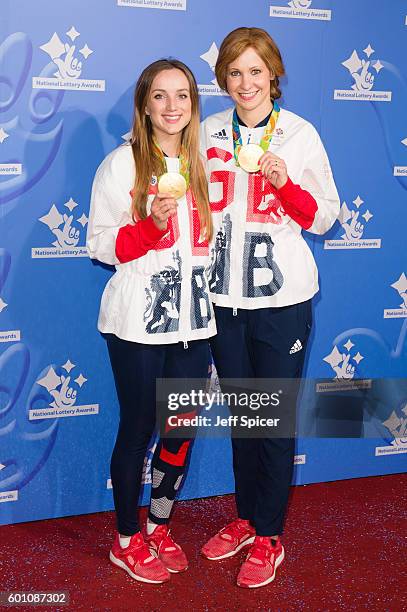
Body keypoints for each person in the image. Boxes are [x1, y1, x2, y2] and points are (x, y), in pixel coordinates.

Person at [200, 27, 340, 588]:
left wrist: (285, 185)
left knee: (274, 421)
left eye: (256, 71)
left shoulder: (301, 134)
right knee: (245, 418)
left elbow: (325, 217)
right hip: (223, 297)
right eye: (235, 72)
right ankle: (245, 518)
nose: (246, 83)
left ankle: (270, 535)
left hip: (281, 300)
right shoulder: (207, 131)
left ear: (274, 75)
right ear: (223, 80)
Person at [87, 59, 214, 584]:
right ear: (144, 105)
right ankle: (126, 539)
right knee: (138, 428)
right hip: (137, 323)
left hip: (194, 323)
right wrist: (149, 225)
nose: (171, 107)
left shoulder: (205, 163)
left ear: (193, 104)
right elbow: (99, 244)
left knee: (179, 428)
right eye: (159, 96)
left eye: (181, 96)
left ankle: (159, 526)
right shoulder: (121, 165)